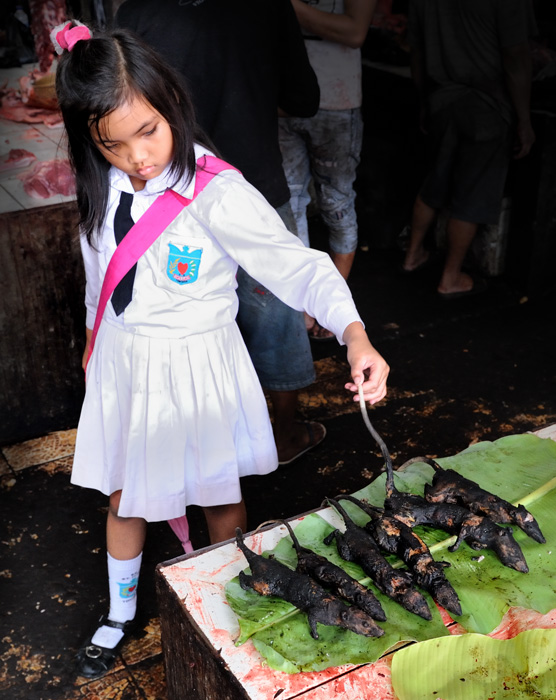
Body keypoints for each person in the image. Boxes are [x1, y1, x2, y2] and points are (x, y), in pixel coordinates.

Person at [52, 24, 389, 679]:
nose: (137, 158)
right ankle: (122, 612)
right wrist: (99, 353)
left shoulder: (218, 193)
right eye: (112, 143)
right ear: (92, 140)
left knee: (218, 495)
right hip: (127, 366)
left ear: (171, 103)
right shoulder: (100, 180)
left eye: (147, 132)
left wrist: (354, 333)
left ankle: (232, 597)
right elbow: (100, 279)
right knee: (123, 499)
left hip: (199, 364)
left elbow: (303, 267)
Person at [115, 0, 325, 467]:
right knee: (277, 323)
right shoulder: (265, 7)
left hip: (169, 200)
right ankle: (283, 435)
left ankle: (196, 448)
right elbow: (303, 99)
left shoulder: (138, 12)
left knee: (182, 319)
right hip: (255, 187)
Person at [401, 0, 537, 299]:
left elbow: (418, 52)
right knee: (472, 194)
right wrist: (524, 120)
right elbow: (516, 56)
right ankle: (450, 277)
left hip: (441, 100)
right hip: (486, 106)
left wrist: (425, 101)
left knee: (435, 181)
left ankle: (413, 254)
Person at [278, 0, 377, 340]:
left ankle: (334, 299)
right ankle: (303, 304)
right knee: (288, 202)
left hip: (338, 100)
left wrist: (288, 7)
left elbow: (354, 32)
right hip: (283, 99)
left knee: (336, 203)